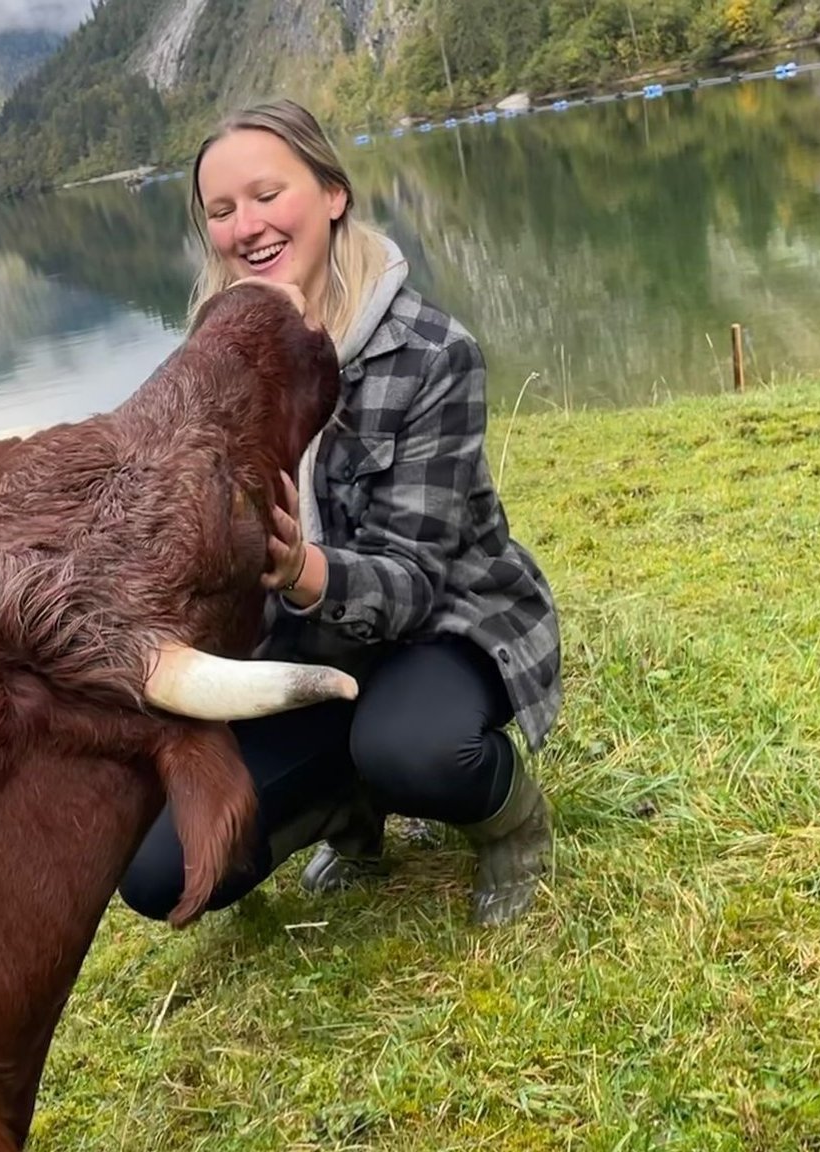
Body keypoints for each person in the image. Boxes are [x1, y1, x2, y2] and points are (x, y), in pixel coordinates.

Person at [116, 98, 563, 928]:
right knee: (158, 871)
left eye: (266, 194)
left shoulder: (433, 353)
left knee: (411, 749)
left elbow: (420, 583)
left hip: (442, 632)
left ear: (332, 193)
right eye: (222, 210)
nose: (246, 226)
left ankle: (510, 817)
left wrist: (301, 569)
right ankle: (345, 806)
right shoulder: (200, 368)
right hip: (300, 652)